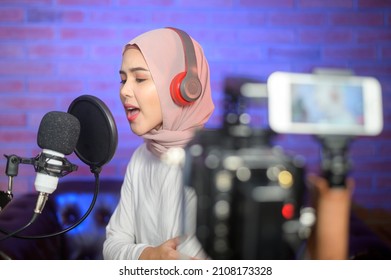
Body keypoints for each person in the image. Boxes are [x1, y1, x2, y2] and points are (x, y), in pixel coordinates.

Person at [103, 27, 214, 260]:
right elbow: (112, 245)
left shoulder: (215, 165)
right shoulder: (141, 157)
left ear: (185, 89)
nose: (124, 91)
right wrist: (146, 256)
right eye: (122, 80)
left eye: (140, 78)